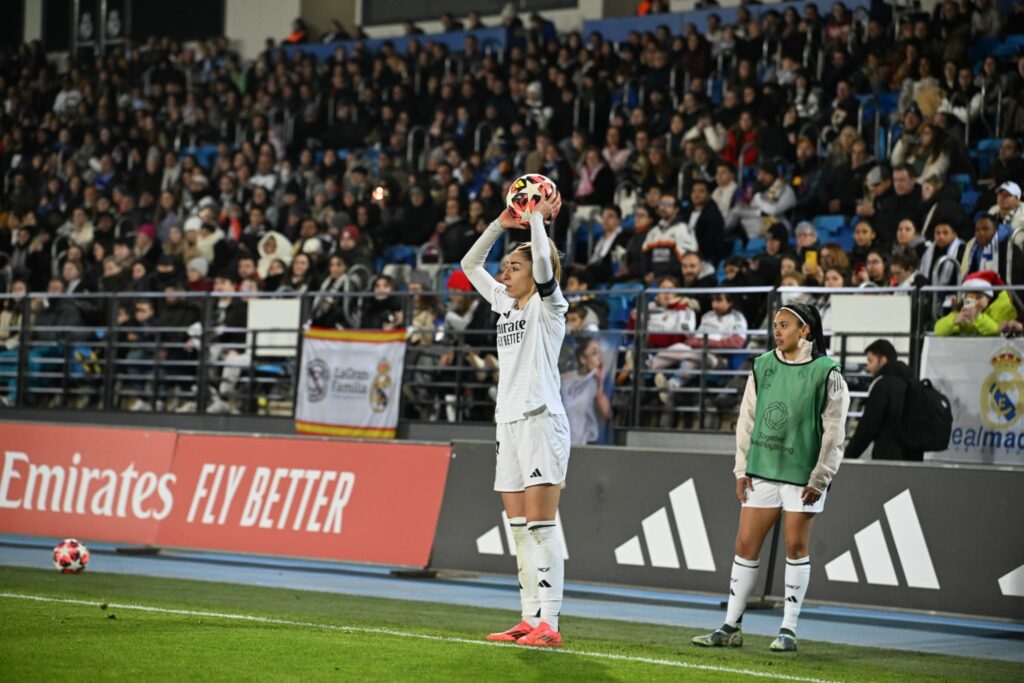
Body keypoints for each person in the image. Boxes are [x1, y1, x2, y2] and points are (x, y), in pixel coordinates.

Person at [692, 302, 850, 653]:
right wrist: (740, 467)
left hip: (802, 474)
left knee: (796, 546)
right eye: (775, 325)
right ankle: (730, 625)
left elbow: (835, 431)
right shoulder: (762, 366)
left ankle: (788, 630)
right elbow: (746, 419)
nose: (777, 331)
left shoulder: (828, 372)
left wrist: (821, 476)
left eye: (785, 325)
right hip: (762, 469)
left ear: (805, 330)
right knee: (745, 546)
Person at [460, 189, 569, 647]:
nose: (505, 272)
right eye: (506, 266)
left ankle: (551, 625)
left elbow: (544, 266)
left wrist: (538, 221)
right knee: (520, 531)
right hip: (508, 422)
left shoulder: (550, 306)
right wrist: (502, 224)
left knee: (543, 528)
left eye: (514, 267)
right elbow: (469, 266)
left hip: (541, 419)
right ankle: (528, 617)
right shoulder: (504, 303)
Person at [846, 339, 922, 461]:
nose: (868, 367)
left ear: (883, 360)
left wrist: (848, 457)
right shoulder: (913, 383)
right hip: (914, 458)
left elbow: (868, 427)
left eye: (870, 361)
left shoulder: (883, 386)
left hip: (887, 459)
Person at [560, 337, 612, 445]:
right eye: (594, 353)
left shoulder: (597, 383)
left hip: (589, 445)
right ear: (583, 359)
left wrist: (600, 383)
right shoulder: (566, 382)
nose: (599, 358)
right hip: (565, 443)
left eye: (599, 352)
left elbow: (606, 413)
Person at [934, 271, 1018, 337]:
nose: (974, 301)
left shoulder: (1003, 308)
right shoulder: (964, 309)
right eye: (970, 297)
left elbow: (996, 332)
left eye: (978, 297)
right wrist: (954, 321)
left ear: (988, 298)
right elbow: (938, 330)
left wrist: (977, 317)